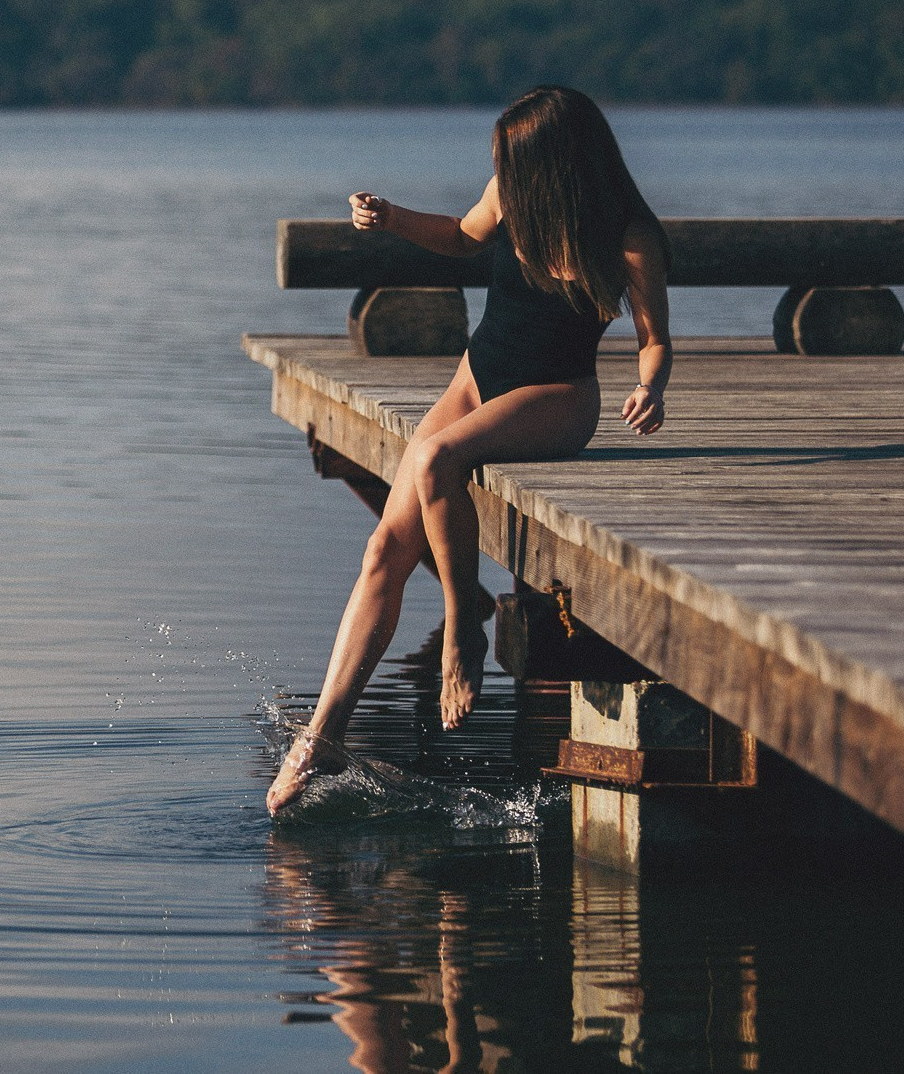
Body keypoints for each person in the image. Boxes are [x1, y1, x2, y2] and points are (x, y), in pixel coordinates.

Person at [267, 86, 671, 816]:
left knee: (433, 461)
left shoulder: (628, 233)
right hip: (477, 374)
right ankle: (323, 735)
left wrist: (653, 386)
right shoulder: (511, 197)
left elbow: (654, 338)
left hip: (555, 396)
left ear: (555, 164)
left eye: (511, 161)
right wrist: (391, 219)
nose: (499, 172)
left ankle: (463, 626)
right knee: (383, 549)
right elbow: (459, 235)